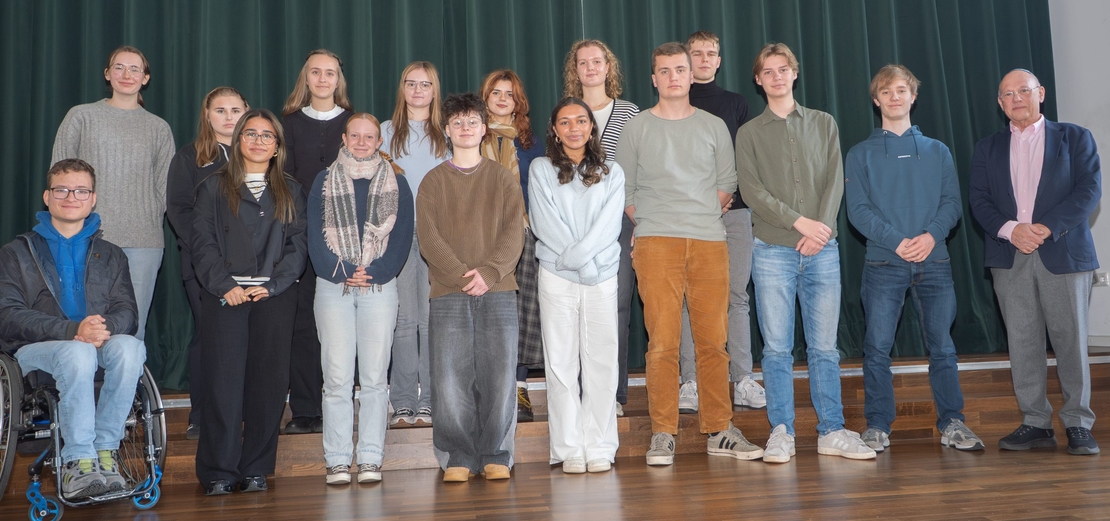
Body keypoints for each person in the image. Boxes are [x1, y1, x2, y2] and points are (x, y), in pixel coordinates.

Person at [618, 42, 762, 467]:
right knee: (662, 343)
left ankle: (720, 429)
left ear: (690, 73)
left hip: (708, 243)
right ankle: (664, 433)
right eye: (664, 71)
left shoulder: (715, 125)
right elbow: (624, 189)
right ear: (654, 78)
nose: (674, 77)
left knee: (713, 343)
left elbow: (726, 183)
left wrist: (695, 215)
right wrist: (654, 221)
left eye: (680, 69)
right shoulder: (637, 127)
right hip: (655, 243)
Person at [735, 42, 874, 463]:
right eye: (768, 71)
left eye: (784, 69)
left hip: (823, 250)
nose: (777, 77)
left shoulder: (824, 123)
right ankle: (782, 431)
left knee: (825, 348)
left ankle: (831, 430)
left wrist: (822, 229)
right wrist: (800, 223)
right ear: (758, 80)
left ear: (795, 74)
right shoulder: (749, 133)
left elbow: (835, 178)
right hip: (772, 249)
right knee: (776, 348)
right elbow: (751, 189)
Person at [845, 65, 983, 453]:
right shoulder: (859, 154)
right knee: (876, 348)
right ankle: (876, 426)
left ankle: (953, 423)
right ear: (876, 101)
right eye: (886, 92)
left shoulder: (938, 150)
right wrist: (897, 241)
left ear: (913, 97)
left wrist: (929, 236)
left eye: (901, 90)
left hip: (935, 262)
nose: (894, 97)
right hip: (883, 264)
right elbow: (858, 211)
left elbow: (952, 204)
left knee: (942, 347)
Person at [969, 68, 1102, 455]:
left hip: (1062, 251)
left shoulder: (1074, 137)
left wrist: (1044, 227)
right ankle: (1035, 422)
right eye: (1007, 94)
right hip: (1010, 255)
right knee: (1022, 341)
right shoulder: (987, 148)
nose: (1016, 99)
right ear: (1000, 104)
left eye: (1023, 91)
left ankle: (1078, 422)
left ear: (1040, 93)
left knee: (1071, 340)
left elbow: (1088, 190)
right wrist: (1013, 229)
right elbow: (979, 201)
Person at [0, 158, 146, 499]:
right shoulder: (15, 253)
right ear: (46, 197)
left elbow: (127, 311)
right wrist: (72, 331)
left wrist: (98, 328)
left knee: (131, 347)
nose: (71, 197)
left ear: (93, 198)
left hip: (95, 341)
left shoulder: (112, 255)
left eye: (81, 190)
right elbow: (8, 314)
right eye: (62, 190)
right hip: (37, 350)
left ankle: (107, 452)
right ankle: (78, 461)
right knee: (78, 351)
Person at [192, 110, 308, 494]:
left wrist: (274, 285)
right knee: (222, 385)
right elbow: (203, 243)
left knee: (268, 385)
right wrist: (223, 285)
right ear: (238, 139)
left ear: (277, 148)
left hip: (273, 296)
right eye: (251, 134)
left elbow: (297, 245)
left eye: (267, 136)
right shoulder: (212, 187)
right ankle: (219, 472)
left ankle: (256, 467)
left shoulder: (291, 189)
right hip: (226, 296)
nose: (259, 142)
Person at [417, 93, 523, 482]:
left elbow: (515, 231)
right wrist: (465, 276)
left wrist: (491, 273)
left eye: (472, 122)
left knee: (499, 376)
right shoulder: (432, 181)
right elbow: (428, 238)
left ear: (484, 129)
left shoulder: (502, 178)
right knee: (449, 378)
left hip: (498, 291)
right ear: (447, 130)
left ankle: (497, 452)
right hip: (448, 292)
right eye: (457, 123)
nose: (465, 128)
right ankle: (458, 455)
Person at [309, 113, 413, 485]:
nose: (362, 142)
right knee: (336, 377)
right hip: (333, 288)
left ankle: (370, 457)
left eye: (369, 137)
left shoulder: (397, 182)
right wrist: (341, 271)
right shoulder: (323, 181)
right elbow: (314, 237)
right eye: (355, 136)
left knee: (373, 377)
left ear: (379, 141)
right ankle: (337, 459)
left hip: (379, 288)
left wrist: (377, 272)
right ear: (344, 137)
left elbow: (402, 238)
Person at [51, 45, 175, 341]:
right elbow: (60, 174)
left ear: (145, 78)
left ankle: (127, 388)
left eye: (135, 69)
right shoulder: (81, 116)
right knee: (81, 328)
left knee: (132, 330)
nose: (126, 74)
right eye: (119, 67)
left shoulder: (158, 128)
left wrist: (143, 217)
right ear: (107, 74)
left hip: (142, 242)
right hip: (85, 239)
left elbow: (166, 187)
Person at [529, 97, 624, 474]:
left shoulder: (612, 171)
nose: (573, 128)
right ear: (554, 130)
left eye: (580, 121)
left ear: (591, 126)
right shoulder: (540, 168)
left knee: (602, 362)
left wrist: (583, 260)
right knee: (561, 362)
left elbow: (609, 225)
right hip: (556, 274)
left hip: (601, 275)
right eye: (564, 122)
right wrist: (575, 260)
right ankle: (568, 448)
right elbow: (544, 223)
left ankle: (599, 445)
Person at [677, 30, 765, 415]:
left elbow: (745, 159)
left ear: (719, 60)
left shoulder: (737, 103)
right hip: (687, 215)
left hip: (735, 212)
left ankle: (743, 378)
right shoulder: (673, 102)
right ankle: (690, 382)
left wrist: (728, 196)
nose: (704, 60)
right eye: (696, 53)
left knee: (736, 296)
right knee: (685, 299)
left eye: (711, 53)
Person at [166, 86, 249, 442]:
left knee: (248, 341)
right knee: (210, 337)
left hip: (252, 267)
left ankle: (242, 414)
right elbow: (179, 211)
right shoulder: (190, 158)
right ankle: (201, 416)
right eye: (220, 110)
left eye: (235, 109)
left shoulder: (259, 152)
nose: (228, 117)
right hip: (204, 266)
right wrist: (207, 255)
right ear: (207, 115)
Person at [562, 39, 639, 416]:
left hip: (621, 221)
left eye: (597, 61)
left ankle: (613, 393)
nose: (591, 68)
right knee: (576, 309)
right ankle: (579, 391)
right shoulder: (567, 111)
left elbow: (640, 168)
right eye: (583, 63)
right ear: (574, 70)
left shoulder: (630, 112)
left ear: (609, 67)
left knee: (617, 307)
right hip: (575, 224)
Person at [281, 49, 354, 435]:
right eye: (316, 73)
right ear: (305, 78)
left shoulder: (353, 122)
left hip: (348, 240)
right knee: (304, 324)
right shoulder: (288, 124)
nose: (323, 79)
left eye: (330, 73)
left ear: (338, 79)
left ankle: (341, 403)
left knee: (343, 325)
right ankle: (306, 408)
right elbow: (286, 180)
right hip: (301, 238)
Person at [383, 61, 450, 427]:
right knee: (404, 320)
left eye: (426, 84)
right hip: (398, 236)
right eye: (411, 83)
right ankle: (404, 400)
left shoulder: (448, 133)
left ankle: (431, 399)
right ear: (402, 88)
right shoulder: (384, 132)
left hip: (437, 235)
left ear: (434, 90)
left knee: (431, 319)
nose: (418, 90)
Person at [478, 69, 546, 421]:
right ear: (485, 98)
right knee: (488, 314)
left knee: (522, 315)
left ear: (519, 102)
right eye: (496, 93)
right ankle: (489, 390)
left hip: (523, 235)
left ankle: (518, 389)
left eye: (510, 94)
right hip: (480, 238)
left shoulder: (532, 144)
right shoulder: (470, 136)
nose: (502, 99)